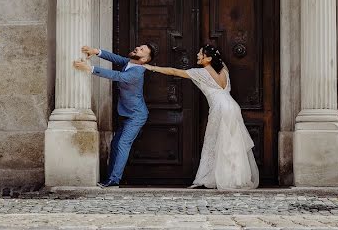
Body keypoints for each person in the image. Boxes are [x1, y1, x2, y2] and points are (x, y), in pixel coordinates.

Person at [143, 44, 259, 189]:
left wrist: (151, 67)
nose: (197, 55)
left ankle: (213, 177)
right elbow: (219, 62)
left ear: (208, 58)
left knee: (215, 141)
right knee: (233, 143)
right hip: (233, 107)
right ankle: (235, 178)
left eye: (201, 53)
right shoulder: (224, 70)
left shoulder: (201, 73)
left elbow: (174, 71)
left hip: (219, 108)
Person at [73, 43, 158, 188]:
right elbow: (116, 58)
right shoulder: (130, 62)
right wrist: (96, 51)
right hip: (126, 113)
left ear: (144, 60)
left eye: (142, 50)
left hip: (136, 116)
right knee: (115, 144)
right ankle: (110, 177)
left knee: (123, 144)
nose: (137, 47)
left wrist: (90, 69)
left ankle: (114, 180)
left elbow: (117, 75)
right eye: (139, 46)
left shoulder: (137, 72)